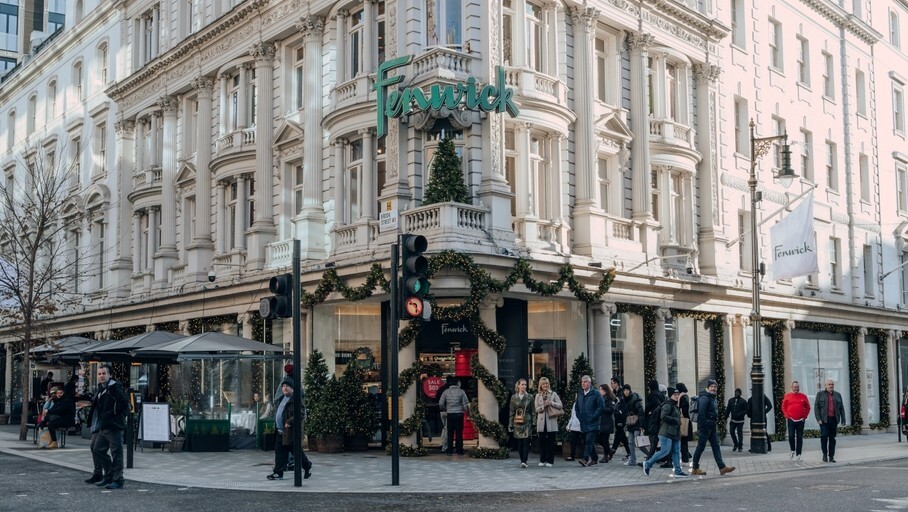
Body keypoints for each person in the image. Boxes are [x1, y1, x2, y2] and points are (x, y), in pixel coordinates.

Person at [85, 364, 129, 489]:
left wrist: (113, 415)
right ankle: (109, 475)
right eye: (99, 374)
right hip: (103, 426)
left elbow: (124, 403)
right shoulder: (102, 388)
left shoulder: (115, 388)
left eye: (104, 373)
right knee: (97, 449)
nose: (101, 376)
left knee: (116, 453)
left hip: (113, 426)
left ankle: (118, 479)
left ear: (110, 375)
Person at [267, 377, 312, 480]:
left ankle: (307, 466)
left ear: (292, 388)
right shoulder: (280, 399)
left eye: (287, 386)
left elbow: (300, 413)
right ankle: (278, 472)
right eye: (283, 386)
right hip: (280, 431)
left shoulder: (296, 399)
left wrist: (289, 421)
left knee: (296, 453)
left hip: (290, 432)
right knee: (279, 453)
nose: (285, 388)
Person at [690, 379, 735, 476]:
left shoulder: (712, 397)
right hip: (705, 427)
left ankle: (722, 467)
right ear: (708, 387)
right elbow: (701, 413)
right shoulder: (705, 398)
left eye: (715, 387)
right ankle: (695, 468)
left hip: (712, 427)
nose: (713, 388)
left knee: (716, 446)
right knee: (700, 447)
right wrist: (705, 426)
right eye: (712, 387)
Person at [643, 387, 689, 478]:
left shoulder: (675, 405)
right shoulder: (667, 405)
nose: (676, 396)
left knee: (676, 451)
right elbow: (663, 416)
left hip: (675, 432)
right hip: (666, 432)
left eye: (677, 394)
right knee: (664, 451)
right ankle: (647, 464)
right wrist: (676, 420)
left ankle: (678, 471)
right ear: (670, 395)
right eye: (674, 394)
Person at [574, 375, 604, 467]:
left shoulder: (596, 393)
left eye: (585, 382)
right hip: (583, 422)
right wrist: (579, 417)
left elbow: (601, 407)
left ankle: (585, 459)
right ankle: (594, 458)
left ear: (590, 383)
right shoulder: (580, 393)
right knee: (587, 442)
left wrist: (594, 416)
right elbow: (577, 407)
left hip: (593, 422)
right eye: (582, 382)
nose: (583, 383)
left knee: (589, 441)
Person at [814, 378, 846, 463]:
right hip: (824, 420)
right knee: (824, 436)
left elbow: (841, 408)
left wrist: (843, 419)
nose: (831, 386)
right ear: (825, 386)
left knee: (832, 438)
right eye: (829, 384)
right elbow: (816, 407)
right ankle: (824, 454)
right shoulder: (820, 394)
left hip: (834, 419)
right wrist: (818, 419)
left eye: (832, 384)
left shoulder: (838, 395)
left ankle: (831, 456)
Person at [437, 376, 470, 456]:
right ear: (458, 383)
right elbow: (466, 405)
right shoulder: (461, 392)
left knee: (450, 433)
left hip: (450, 414)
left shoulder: (446, 392)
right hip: (459, 414)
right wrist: (468, 414)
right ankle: (459, 450)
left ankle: (449, 450)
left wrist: (445, 409)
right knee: (459, 433)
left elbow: (441, 403)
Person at [534, 376, 562, 467]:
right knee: (542, 442)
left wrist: (551, 403)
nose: (545, 385)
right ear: (540, 385)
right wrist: (543, 406)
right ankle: (542, 460)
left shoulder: (553, 394)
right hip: (541, 422)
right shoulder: (538, 395)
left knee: (551, 442)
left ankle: (550, 460)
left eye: (546, 383)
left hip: (551, 421)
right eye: (543, 384)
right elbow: (536, 409)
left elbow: (560, 405)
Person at [781, 381, 811, 461]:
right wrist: (787, 416)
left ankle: (799, 454)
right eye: (794, 387)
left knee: (799, 437)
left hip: (800, 420)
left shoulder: (803, 396)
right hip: (791, 419)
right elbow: (783, 407)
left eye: (797, 387)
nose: (796, 388)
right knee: (791, 436)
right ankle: (792, 450)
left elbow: (808, 407)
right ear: (792, 387)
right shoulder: (787, 396)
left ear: (799, 387)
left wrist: (804, 416)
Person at [509, 378, 534, 468]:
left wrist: (534, 423)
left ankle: (524, 461)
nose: (524, 386)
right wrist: (510, 424)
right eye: (522, 384)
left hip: (527, 421)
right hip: (517, 421)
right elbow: (511, 411)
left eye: (525, 385)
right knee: (520, 442)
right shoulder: (513, 397)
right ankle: (521, 460)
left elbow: (533, 411)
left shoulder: (530, 397)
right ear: (518, 386)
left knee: (526, 441)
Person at [621, 384, 645, 466]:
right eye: (624, 390)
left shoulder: (635, 398)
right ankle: (633, 460)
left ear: (630, 390)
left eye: (627, 390)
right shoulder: (624, 400)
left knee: (639, 443)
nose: (626, 392)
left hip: (637, 422)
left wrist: (641, 424)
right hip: (630, 423)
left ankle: (650, 455)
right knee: (630, 442)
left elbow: (641, 411)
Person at [611, 378, 631, 461]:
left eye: (613, 383)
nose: (611, 385)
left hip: (622, 416)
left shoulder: (621, 392)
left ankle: (611, 452)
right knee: (622, 436)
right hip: (618, 416)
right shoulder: (615, 392)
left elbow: (621, 403)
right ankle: (629, 452)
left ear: (617, 384)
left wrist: (621, 412)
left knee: (619, 434)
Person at [644, 379, 664, 457]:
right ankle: (654, 456)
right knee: (656, 439)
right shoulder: (660, 394)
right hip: (658, 419)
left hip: (653, 419)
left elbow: (656, 404)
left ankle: (651, 457)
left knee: (654, 439)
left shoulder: (652, 394)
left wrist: (651, 412)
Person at [596, 384, 616, 463]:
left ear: (605, 390)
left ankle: (605, 456)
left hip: (607, 422)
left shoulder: (609, 398)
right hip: (601, 422)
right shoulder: (600, 398)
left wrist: (602, 408)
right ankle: (610, 451)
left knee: (605, 440)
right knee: (599, 439)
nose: (600, 391)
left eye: (601, 389)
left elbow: (611, 409)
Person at [724, 388, 748, 452]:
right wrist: (725, 417)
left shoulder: (743, 401)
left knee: (740, 433)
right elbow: (728, 410)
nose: (736, 393)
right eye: (736, 392)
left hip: (740, 421)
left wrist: (740, 414)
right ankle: (735, 444)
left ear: (740, 394)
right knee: (731, 432)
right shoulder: (731, 400)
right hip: (733, 420)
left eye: (738, 392)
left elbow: (746, 410)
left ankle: (740, 446)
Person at [676, 382, 692, 463]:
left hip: (684, 421)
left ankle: (685, 457)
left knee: (683, 441)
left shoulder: (682, 397)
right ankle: (686, 455)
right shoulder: (685, 396)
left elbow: (684, 410)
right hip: (686, 420)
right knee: (683, 441)